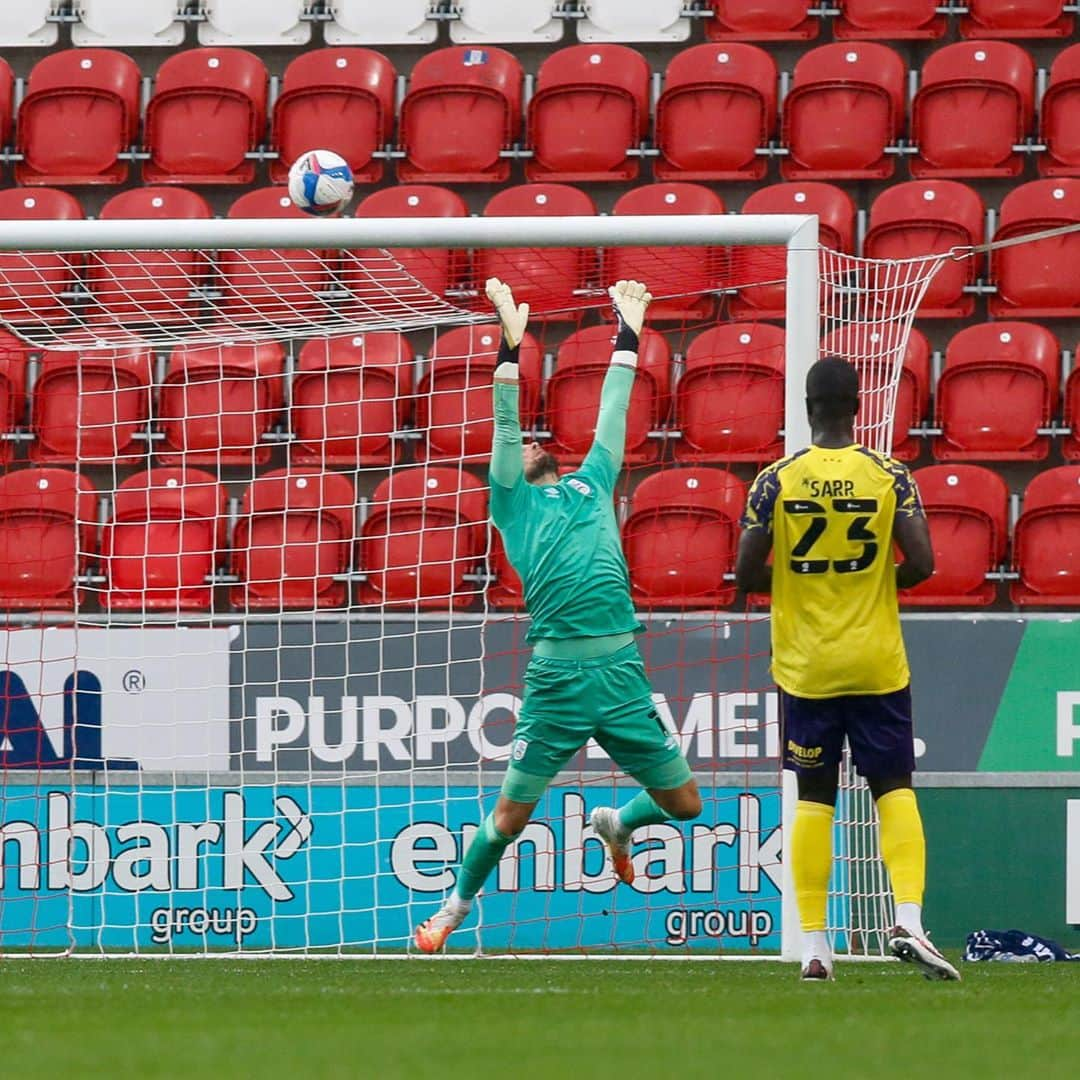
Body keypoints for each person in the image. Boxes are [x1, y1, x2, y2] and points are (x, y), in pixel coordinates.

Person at [413, 278, 701, 953]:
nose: (532, 442)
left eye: (542, 439)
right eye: (525, 443)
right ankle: (451, 912)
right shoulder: (512, 502)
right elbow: (505, 425)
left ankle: (619, 825)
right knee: (510, 818)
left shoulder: (592, 481)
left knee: (686, 806)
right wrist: (510, 349)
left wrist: (629, 336)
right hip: (556, 682)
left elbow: (612, 411)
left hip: (622, 672)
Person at [735, 356, 959, 982]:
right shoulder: (891, 475)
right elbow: (924, 562)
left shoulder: (775, 481)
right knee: (894, 789)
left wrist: (798, 586)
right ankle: (909, 918)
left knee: (812, 798)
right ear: (858, 406)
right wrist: (873, 584)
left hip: (808, 667)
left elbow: (746, 570)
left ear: (806, 408)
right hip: (877, 662)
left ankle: (813, 945)